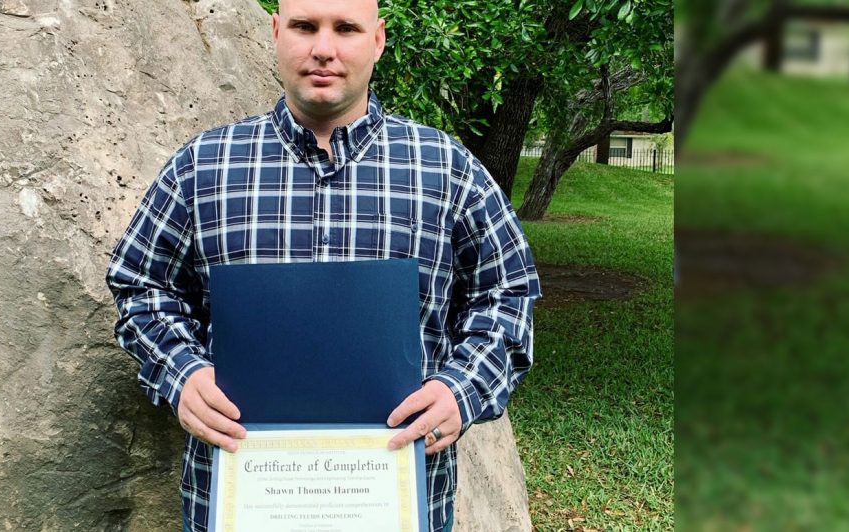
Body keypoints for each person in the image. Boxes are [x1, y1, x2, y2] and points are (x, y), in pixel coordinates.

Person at [105, 0, 540, 530]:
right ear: (276, 32)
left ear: (377, 40)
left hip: (399, 498)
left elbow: (508, 293)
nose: (324, 49)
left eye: (346, 29)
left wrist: (461, 389)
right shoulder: (204, 166)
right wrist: (182, 374)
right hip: (247, 500)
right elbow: (140, 283)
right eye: (305, 26)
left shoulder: (446, 169)